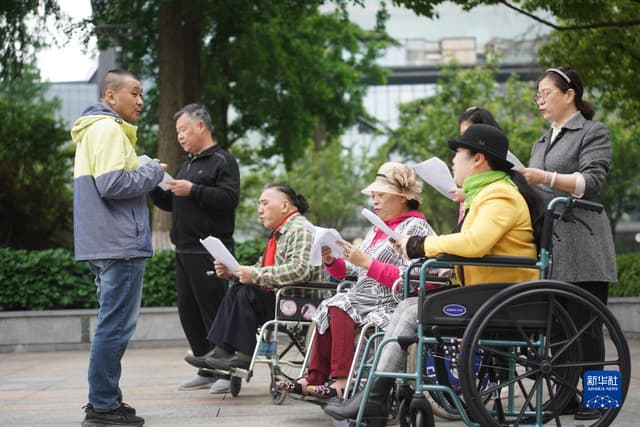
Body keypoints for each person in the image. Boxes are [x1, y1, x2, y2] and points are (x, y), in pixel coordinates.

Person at [323, 124, 542, 424]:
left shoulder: (499, 195)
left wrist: (419, 246)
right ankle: (374, 394)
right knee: (409, 307)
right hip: (487, 292)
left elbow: (475, 243)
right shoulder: (486, 194)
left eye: (458, 154)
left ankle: (374, 396)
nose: (453, 161)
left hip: (501, 297)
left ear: (478, 159)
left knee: (412, 310)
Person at [278, 162, 436, 400]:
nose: (375, 201)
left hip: (393, 301)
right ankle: (314, 377)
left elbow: (413, 279)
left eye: (381, 195)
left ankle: (341, 380)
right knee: (332, 304)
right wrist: (333, 260)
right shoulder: (377, 230)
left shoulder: (417, 228)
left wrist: (367, 263)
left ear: (403, 197)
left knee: (341, 303)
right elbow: (353, 272)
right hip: (366, 296)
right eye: (374, 196)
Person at [521, 66, 617, 420]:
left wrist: (545, 177)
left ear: (569, 93)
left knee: (587, 324)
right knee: (558, 327)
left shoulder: (592, 132)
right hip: (551, 246)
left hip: (583, 242)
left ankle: (601, 400)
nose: (540, 100)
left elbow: (592, 181)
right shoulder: (541, 141)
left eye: (546, 93)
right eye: (538, 94)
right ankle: (565, 396)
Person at [72, 69, 166, 427]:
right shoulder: (108, 129)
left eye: (142, 95)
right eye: (135, 93)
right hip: (120, 243)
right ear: (111, 96)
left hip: (102, 243)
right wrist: (153, 170)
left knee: (110, 325)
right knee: (115, 327)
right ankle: (102, 407)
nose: (141, 101)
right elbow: (113, 184)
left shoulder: (90, 131)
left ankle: (107, 399)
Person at [185, 183, 326, 373]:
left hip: (301, 304)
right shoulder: (280, 233)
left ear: (285, 206)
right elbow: (261, 270)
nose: (260, 210)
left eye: (265, 203)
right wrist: (233, 273)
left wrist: (253, 275)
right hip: (282, 299)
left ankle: (244, 357)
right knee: (238, 288)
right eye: (259, 204)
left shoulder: (300, 229)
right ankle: (221, 352)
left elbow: (300, 270)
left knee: (247, 292)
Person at [150, 103, 240, 394]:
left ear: (201, 126)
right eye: (177, 132)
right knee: (188, 311)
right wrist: (154, 183)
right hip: (184, 249)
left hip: (210, 249)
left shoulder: (223, 161)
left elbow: (229, 199)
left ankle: (228, 372)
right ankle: (206, 366)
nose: (180, 136)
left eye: (183, 130)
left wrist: (194, 190)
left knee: (214, 310)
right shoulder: (186, 164)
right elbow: (170, 203)